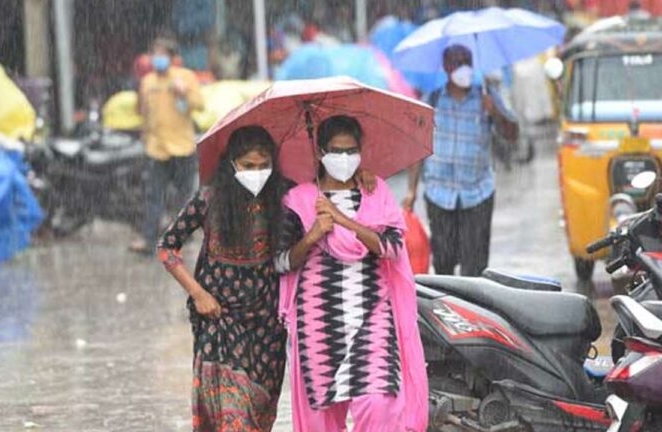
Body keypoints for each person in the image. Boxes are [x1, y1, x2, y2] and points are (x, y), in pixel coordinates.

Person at [276, 115, 428, 432]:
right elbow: (280, 262)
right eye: (336, 151)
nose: (344, 159)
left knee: (380, 403)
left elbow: (393, 249)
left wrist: (344, 221)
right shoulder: (298, 201)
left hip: (372, 315)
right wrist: (312, 236)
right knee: (322, 416)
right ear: (319, 153)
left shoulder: (376, 192)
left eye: (351, 151)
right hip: (318, 322)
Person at [156, 126, 287, 431]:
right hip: (219, 321)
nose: (257, 173)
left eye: (263, 166)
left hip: (267, 327)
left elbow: (322, 195)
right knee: (233, 420)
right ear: (232, 164)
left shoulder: (282, 196)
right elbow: (166, 248)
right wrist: (198, 293)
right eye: (248, 166)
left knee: (259, 416)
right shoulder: (209, 198)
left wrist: (363, 178)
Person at [404, 44, 518, 276]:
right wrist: (412, 189)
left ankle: (471, 310)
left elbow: (512, 134)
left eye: (466, 62)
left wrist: (495, 111)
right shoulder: (433, 100)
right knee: (444, 263)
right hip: (439, 194)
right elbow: (417, 146)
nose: (463, 69)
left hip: (478, 193)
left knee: (475, 266)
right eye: (457, 63)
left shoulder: (486, 96)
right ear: (446, 67)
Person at [132, 37, 203, 255]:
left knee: (185, 196)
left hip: (183, 146)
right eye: (155, 54)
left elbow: (199, 105)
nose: (158, 59)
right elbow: (142, 112)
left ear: (173, 58)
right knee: (154, 195)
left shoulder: (186, 78)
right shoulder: (147, 82)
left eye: (163, 54)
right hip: (156, 148)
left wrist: (183, 93)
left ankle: (183, 237)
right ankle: (149, 239)